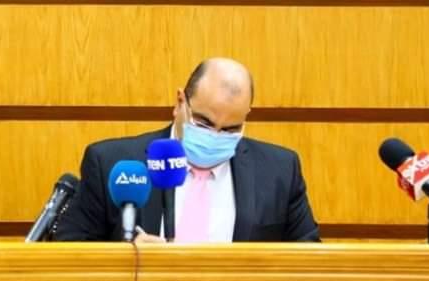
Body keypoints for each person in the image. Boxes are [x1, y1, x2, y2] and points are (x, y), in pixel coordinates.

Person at [55, 57, 319, 243]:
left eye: (230, 129)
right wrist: (128, 259)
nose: (215, 136)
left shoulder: (279, 172)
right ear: (180, 103)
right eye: (203, 123)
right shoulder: (112, 164)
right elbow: (69, 252)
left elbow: (309, 263)